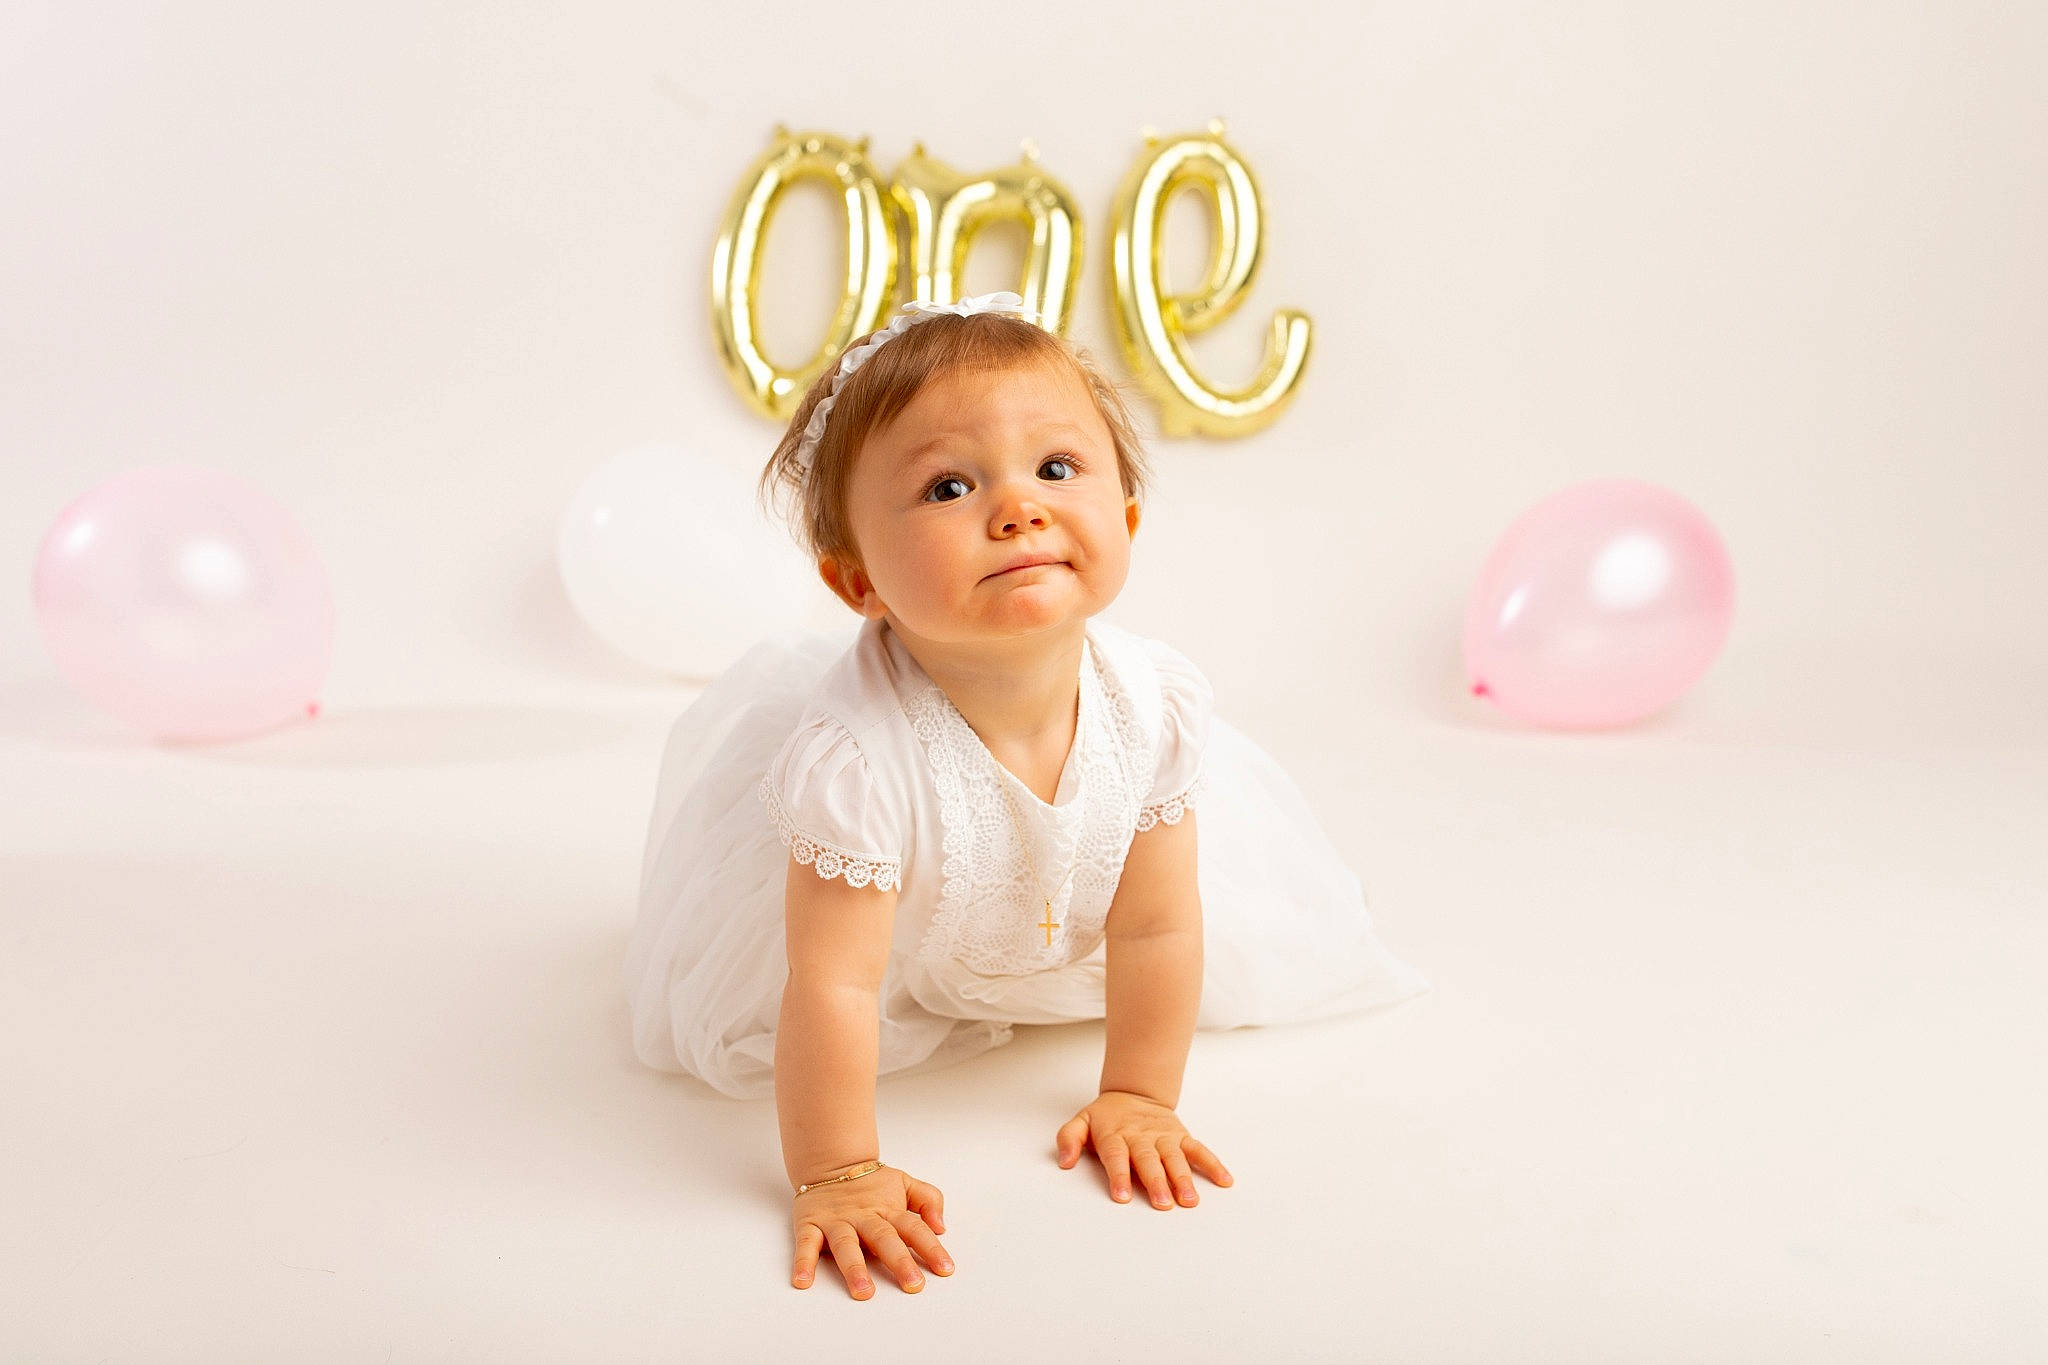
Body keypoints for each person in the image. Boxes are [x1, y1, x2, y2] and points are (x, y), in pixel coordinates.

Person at [622, 292, 1431, 1299]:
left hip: (1072, 901)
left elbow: (1153, 929)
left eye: (1056, 469)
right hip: (906, 924)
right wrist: (834, 1172)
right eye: (948, 486)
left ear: (1126, 518)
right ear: (856, 582)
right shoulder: (854, 761)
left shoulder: (1154, 705)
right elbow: (832, 986)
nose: (1017, 508)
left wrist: (1137, 1094)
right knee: (835, 969)